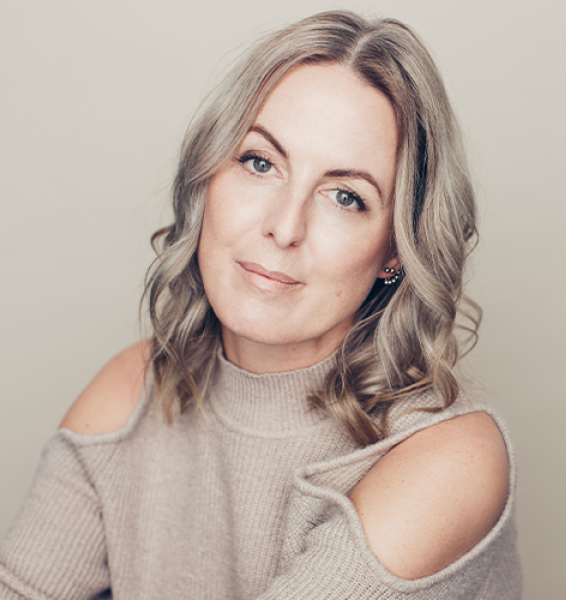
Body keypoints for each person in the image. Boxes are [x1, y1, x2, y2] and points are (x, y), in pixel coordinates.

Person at [0, 10, 521, 599]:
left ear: (395, 250)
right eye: (260, 163)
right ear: (206, 177)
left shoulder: (448, 456)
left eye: (345, 197)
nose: (284, 226)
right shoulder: (134, 390)